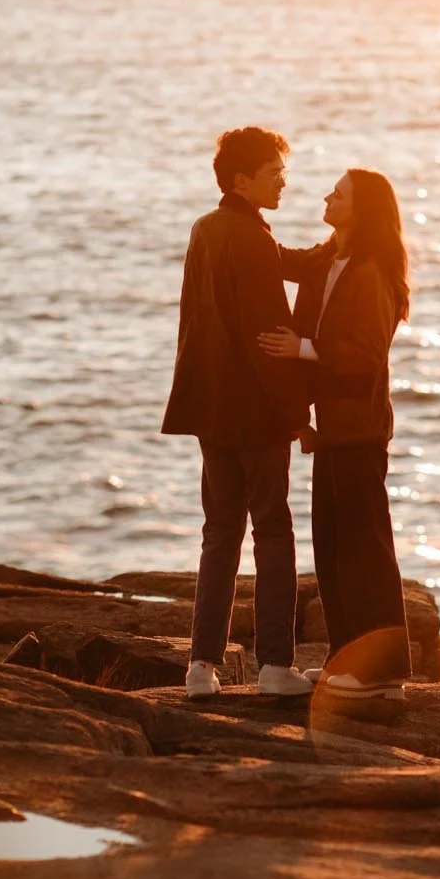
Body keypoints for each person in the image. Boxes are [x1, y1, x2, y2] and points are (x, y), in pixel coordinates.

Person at [160, 127, 331, 700]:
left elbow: (285, 263)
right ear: (242, 180)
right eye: (274, 171)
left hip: (209, 408)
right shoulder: (250, 238)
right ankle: (275, 667)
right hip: (254, 411)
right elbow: (269, 340)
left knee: (220, 533)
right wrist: (298, 418)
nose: (284, 179)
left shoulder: (209, 229)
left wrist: (338, 244)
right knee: (274, 531)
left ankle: (200, 668)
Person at [259, 168, 413, 700]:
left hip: (360, 430)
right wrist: (242, 213)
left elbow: (366, 358)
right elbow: (280, 258)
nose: (326, 196)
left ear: (362, 209)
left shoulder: (370, 272)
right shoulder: (328, 259)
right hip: (329, 430)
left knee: (365, 548)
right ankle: (345, 660)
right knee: (331, 544)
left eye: (339, 194)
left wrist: (301, 349)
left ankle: (381, 670)